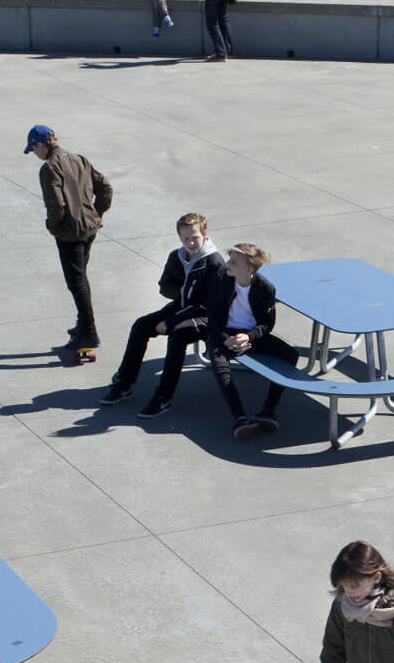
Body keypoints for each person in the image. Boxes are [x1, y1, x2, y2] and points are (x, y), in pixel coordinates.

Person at [103, 212, 227, 415]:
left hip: (205, 316)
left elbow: (207, 305)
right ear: (180, 238)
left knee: (177, 337)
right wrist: (184, 291)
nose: (191, 242)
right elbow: (164, 287)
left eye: (195, 237)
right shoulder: (176, 257)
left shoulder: (214, 263)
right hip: (182, 306)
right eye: (185, 238)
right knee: (141, 325)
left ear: (204, 234)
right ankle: (125, 383)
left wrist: (172, 321)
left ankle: (163, 397)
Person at [25, 125, 112, 361]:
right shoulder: (78, 159)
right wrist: (99, 213)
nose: (35, 154)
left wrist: (53, 228)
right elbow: (105, 188)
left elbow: (57, 205)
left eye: (34, 149)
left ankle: (90, 332)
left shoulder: (49, 169)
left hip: (71, 233)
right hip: (90, 228)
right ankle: (82, 324)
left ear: (42, 144)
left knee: (77, 282)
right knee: (80, 277)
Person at [201, 242, 298, 440]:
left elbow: (265, 324)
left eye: (234, 262)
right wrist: (225, 339)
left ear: (249, 268)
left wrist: (249, 336)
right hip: (223, 333)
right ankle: (240, 417)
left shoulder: (265, 288)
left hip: (249, 335)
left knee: (291, 355)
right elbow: (213, 315)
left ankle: (268, 411)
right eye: (229, 260)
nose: (228, 264)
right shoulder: (221, 279)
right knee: (220, 364)